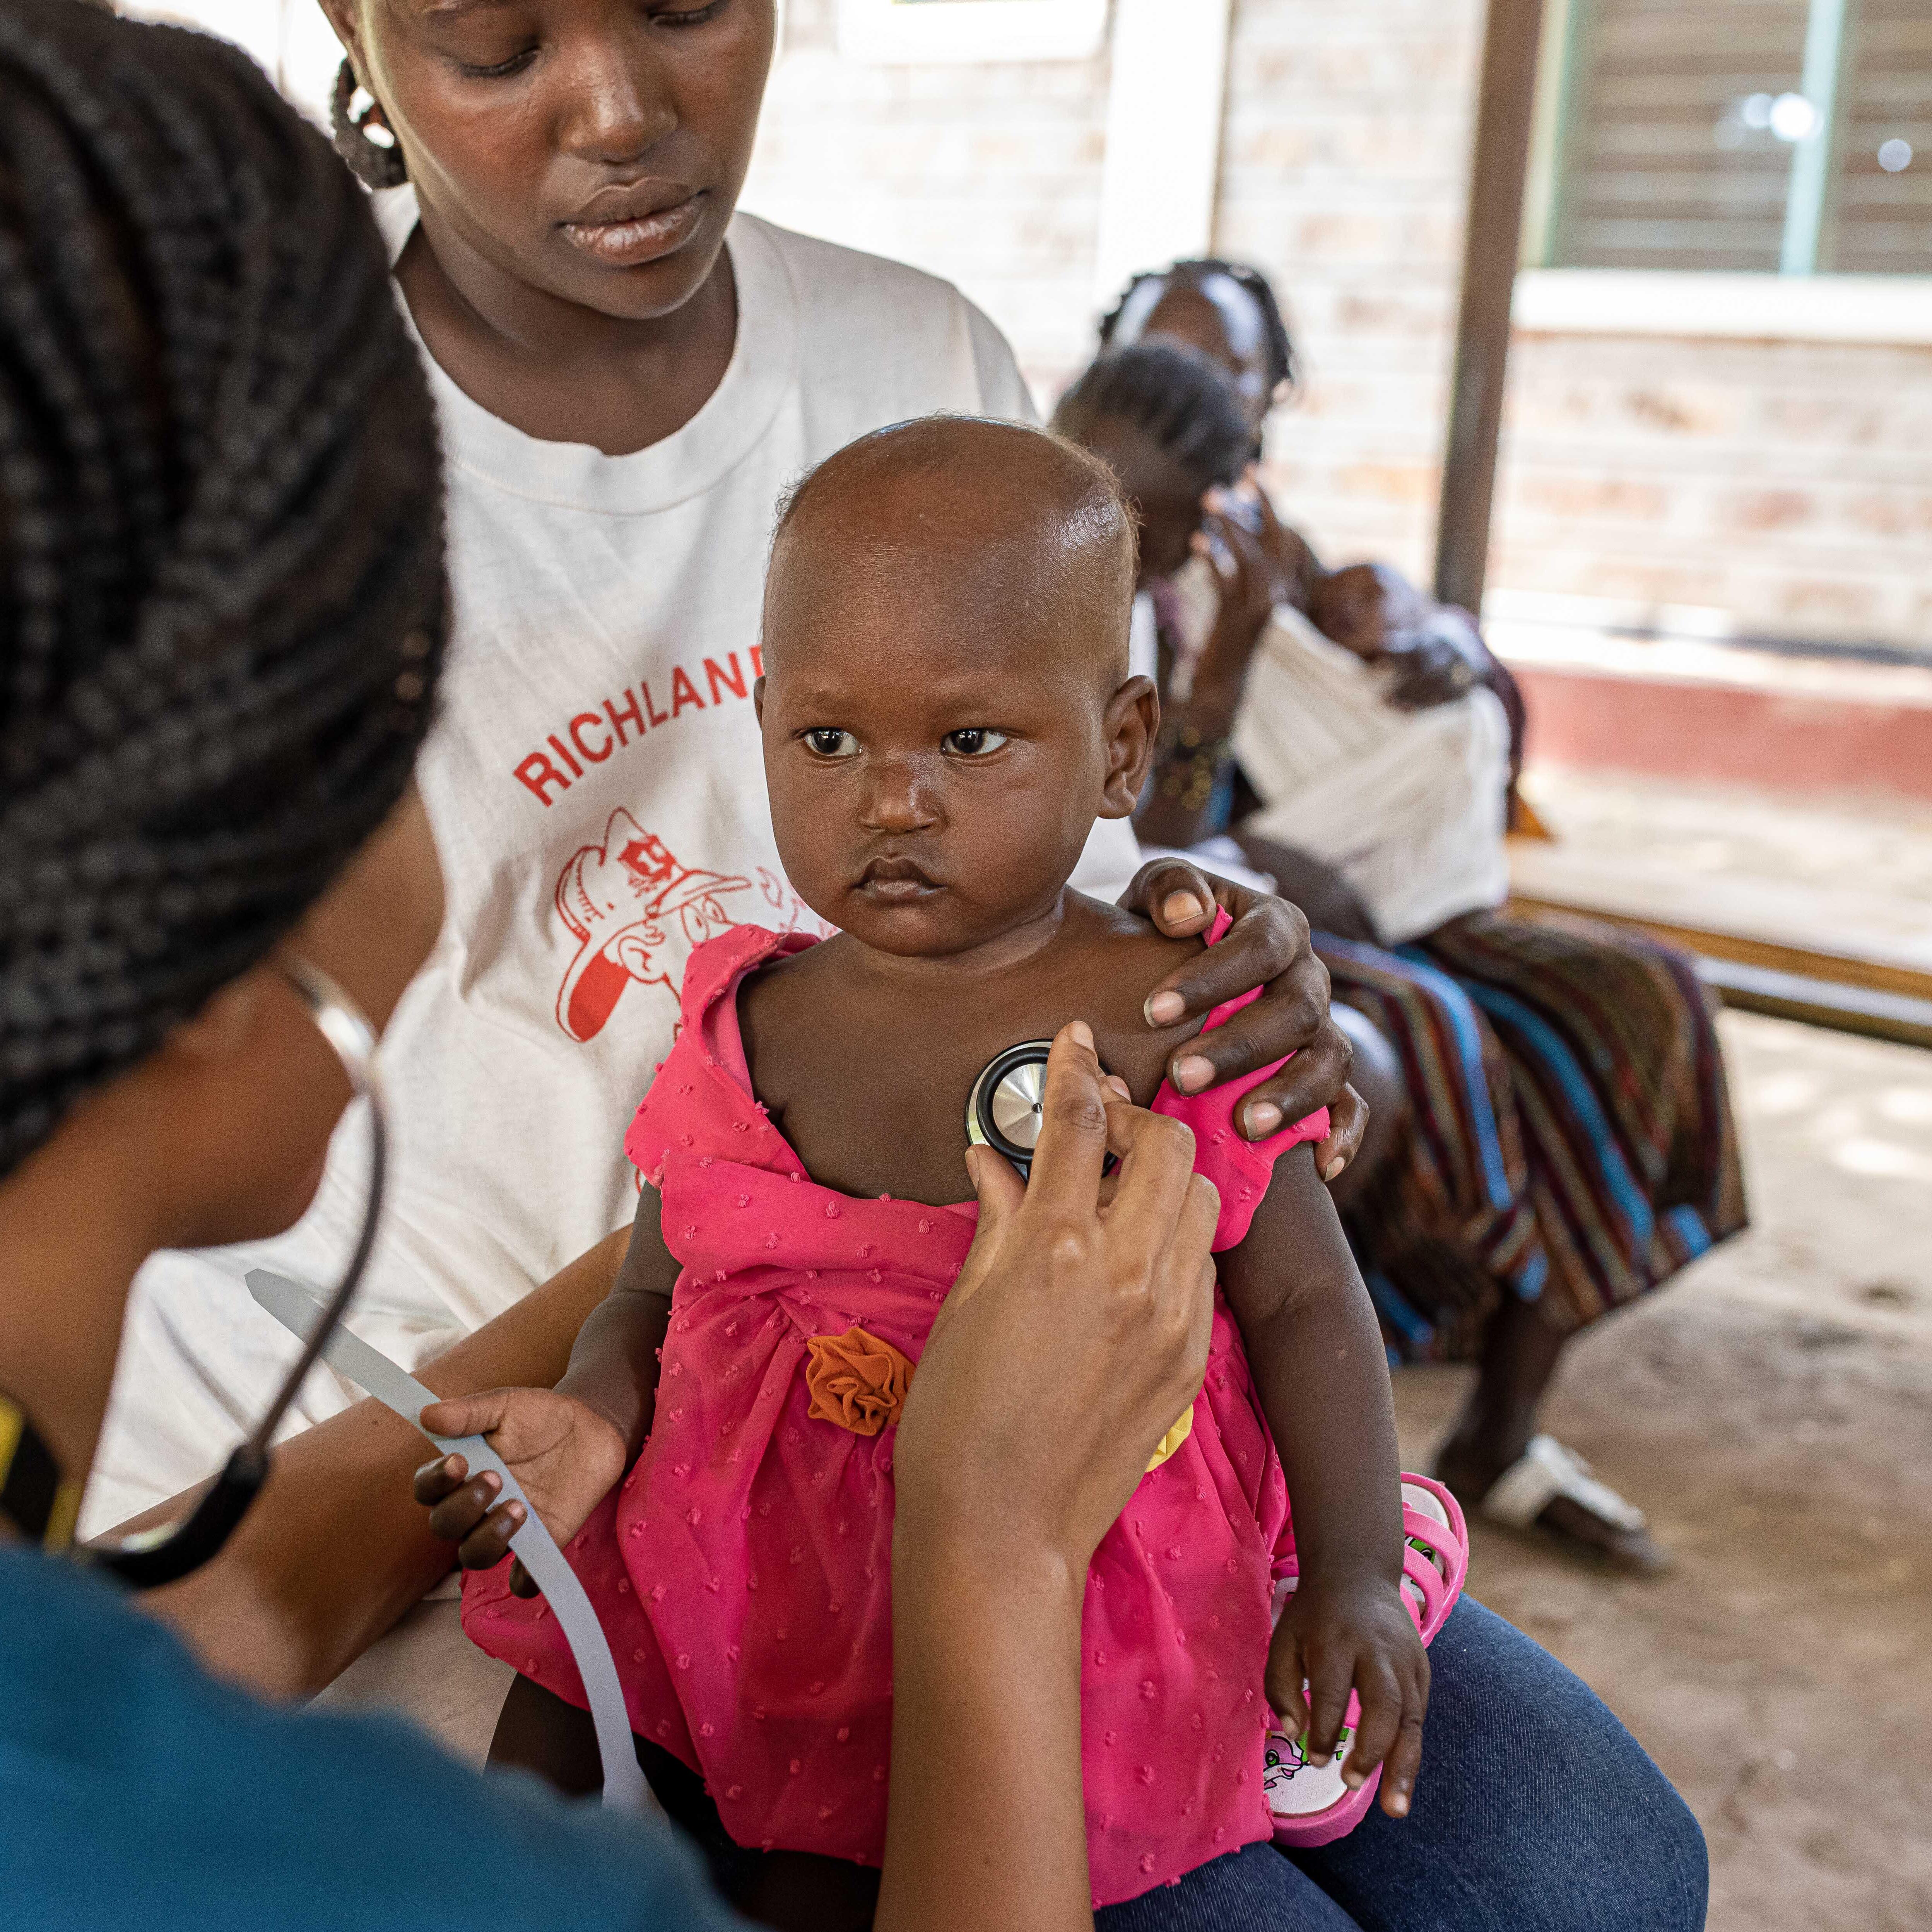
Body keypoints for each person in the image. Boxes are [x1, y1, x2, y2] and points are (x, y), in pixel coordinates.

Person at [0, 12, 1254, 1927]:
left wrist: (1188, 966)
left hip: (813, 1349)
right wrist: (974, 1526)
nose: (614, 110)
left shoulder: (910, 362)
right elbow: (243, 1610)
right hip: (653, 1441)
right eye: (494, 38)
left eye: (681, 1)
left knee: (1564, 1852)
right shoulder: (450, 1865)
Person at [412, 417, 1457, 1921]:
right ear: (764, 721)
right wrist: (592, 1408)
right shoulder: (741, 1022)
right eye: (827, 741)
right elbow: (652, 1286)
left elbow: (1301, 1301)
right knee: (545, 1804)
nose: (890, 801)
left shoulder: (1172, 1017)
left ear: (1120, 748)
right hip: (740, 1574)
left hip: (1062, 1578)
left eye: (967, 743)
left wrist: (1353, 1564)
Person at [1069, 270, 1749, 1573]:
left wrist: (1445, 642)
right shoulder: (1106, 556)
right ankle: (1298, 1454)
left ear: (1262, 409)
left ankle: (1501, 1431)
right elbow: (1130, 825)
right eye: (1175, 352)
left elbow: (1440, 698)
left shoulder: (1274, 548)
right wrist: (1223, 692)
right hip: (1257, 903)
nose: (1204, 386)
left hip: (1390, 895)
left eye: (1235, 370)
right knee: (1425, 1035)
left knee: (1637, 998)